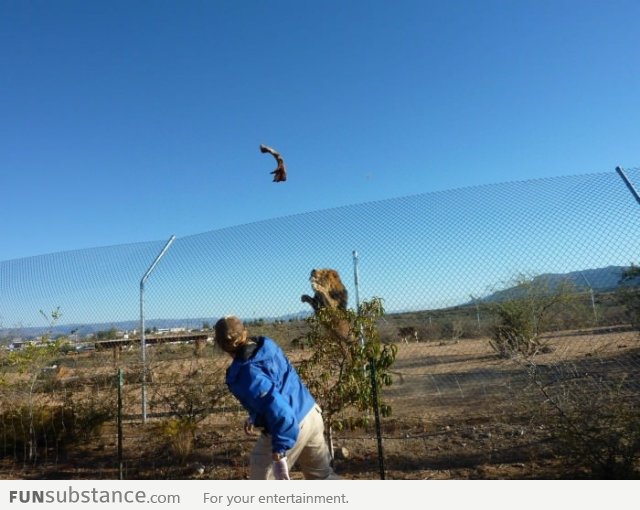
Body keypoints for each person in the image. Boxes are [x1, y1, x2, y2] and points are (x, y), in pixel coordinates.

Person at [214, 315, 340, 480]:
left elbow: (281, 412)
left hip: (290, 425)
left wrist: (279, 451)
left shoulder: (245, 373)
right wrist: (256, 415)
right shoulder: (266, 347)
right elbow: (277, 386)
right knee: (322, 477)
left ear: (220, 345)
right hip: (311, 412)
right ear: (245, 333)